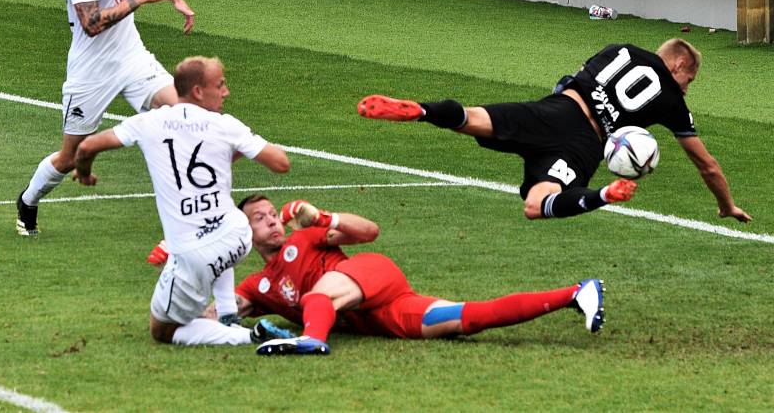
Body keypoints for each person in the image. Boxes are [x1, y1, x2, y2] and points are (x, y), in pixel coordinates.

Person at [358, 39, 750, 224]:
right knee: (537, 204)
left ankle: (424, 110)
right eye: (690, 79)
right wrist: (726, 204)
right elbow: (707, 165)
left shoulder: (619, 49)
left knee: (475, 118)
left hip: (557, 108)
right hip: (585, 142)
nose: (686, 88)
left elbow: (569, 81)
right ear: (678, 63)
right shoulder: (672, 100)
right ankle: (604, 195)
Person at [73, 56, 292, 347]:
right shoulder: (226, 125)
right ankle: (227, 311)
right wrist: (231, 150)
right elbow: (281, 163)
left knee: (162, 331)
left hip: (195, 255)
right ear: (199, 92)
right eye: (220, 85)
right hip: (239, 236)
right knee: (219, 236)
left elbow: (87, 146)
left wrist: (85, 173)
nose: (225, 92)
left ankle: (249, 336)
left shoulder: (149, 122)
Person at [16, 0, 196, 236]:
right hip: (91, 72)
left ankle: (189, 215)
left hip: (132, 58)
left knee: (184, 116)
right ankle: (28, 201)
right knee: (71, 156)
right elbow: (91, 24)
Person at [223, 195, 606, 355]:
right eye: (260, 219)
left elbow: (368, 231)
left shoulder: (305, 236)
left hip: (369, 275)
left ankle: (312, 340)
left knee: (315, 298)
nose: (273, 220)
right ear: (244, 232)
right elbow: (219, 314)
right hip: (376, 315)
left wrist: (324, 218)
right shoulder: (257, 286)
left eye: (273, 214)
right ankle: (577, 293)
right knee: (464, 319)